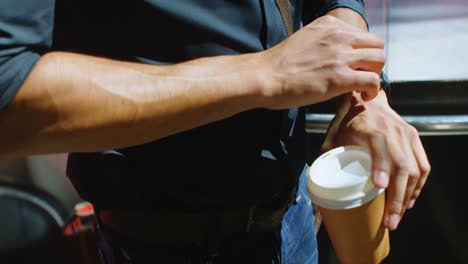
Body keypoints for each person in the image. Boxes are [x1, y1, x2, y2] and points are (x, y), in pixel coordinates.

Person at [0, 0, 430, 263]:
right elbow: (9, 91)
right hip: (164, 243)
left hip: (295, 217)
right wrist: (264, 75)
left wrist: (364, 97)